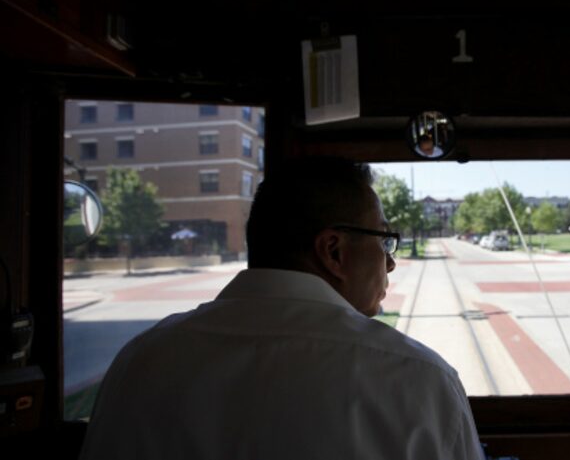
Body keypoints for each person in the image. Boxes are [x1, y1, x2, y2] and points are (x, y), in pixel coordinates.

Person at [79, 158, 483, 460]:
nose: (390, 261)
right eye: (383, 240)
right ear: (333, 251)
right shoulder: (421, 382)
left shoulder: (140, 361)